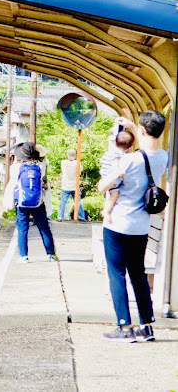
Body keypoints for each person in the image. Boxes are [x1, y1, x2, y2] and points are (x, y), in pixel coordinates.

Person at [96, 111, 168, 343]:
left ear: (142, 130)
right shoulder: (163, 157)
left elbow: (102, 186)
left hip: (118, 224)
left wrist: (111, 175)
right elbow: (149, 144)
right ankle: (146, 326)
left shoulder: (128, 160)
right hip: (141, 226)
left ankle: (124, 327)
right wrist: (134, 127)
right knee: (138, 274)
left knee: (116, 274)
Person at [12, 141, 57, 263]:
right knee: (44, 227)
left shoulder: (16, 168)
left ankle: (23, 256)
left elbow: (13, 184)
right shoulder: (40, 167)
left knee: (22, 228)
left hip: (22, 203)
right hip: (38, 202)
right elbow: (44, 184)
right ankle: (51, 255)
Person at [100, 129, 135, 224]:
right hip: (112, 177)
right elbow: (116, 163)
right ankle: (106, 211)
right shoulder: (120, 155)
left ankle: (106, 210)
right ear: (129, 147)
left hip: (105, 174)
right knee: (114, 195)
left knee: (111, 194)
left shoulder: (109, 152)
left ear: (115, 143)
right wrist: (118, 172)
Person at [58, 148, 85, 220]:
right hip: (75, 185)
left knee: (63, 202)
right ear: (75, 155)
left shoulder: (63, 162)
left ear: (67, 155)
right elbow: (80, 171)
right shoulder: (77, 163)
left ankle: (60, 217)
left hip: (65, 185)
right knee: (78, 202)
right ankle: (81, 216)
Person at [36, 144, 53, 218]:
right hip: (42, 182)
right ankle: (46, 216)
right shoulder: (45, 162)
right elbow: (45, 173)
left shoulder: (35, 162)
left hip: (37, 183)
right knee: (46, 200)